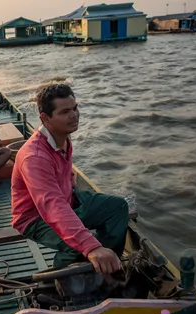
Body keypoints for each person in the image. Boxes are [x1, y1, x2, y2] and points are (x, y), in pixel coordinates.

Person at [11, 84, 129, 275]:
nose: (74, 115)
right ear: (45, 118)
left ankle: (107, 268)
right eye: (65, 111)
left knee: (118, 207)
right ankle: (63, 281)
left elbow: (67, 175)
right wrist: (90, 246)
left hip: (69, 198)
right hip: (35, 217)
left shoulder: (62, 136)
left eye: (75, 108)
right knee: (75, 246)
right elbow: (52, 205)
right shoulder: (34, 157)